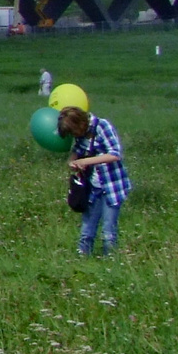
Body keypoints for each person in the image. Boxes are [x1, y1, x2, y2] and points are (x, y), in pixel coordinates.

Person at [61, 106, 128, 256]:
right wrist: (72, 161)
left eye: (74, 132)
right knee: (87, 229)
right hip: (92, 187)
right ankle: (82, 257)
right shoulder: (81, 135)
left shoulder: (102, 126)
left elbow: (115, 154)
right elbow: (77, 150)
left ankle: (110, 259)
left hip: (112, 186)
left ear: (80, 123)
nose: (74, 135)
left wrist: (86, 161)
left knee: (108, 230)